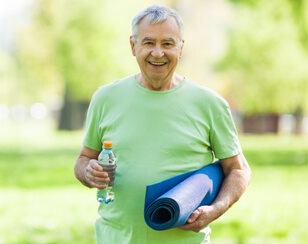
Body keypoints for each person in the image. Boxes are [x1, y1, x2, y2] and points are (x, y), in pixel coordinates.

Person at [74, 4, 251, 244]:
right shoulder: (105, 98)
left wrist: (215, 210)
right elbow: (85, 157)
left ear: (181, 48)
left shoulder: (209, 104)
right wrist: (87, 171)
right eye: (148, 42)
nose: (158, 53)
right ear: (132, 46)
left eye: (167, 43)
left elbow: (238, 170)